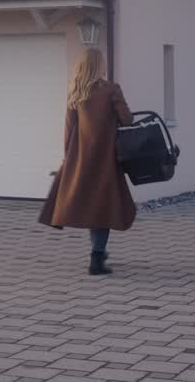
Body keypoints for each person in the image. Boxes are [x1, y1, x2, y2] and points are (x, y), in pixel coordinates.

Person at [38, 47, 135, 275]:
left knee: (93, 206)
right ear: (99, 66)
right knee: (104, 206)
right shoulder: (111, 89)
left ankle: (98, 252)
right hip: (106, 158)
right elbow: (128, 120)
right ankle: (96, 258)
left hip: (81, 158)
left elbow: (68, 131)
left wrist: (68, 160)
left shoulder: (76, 92)